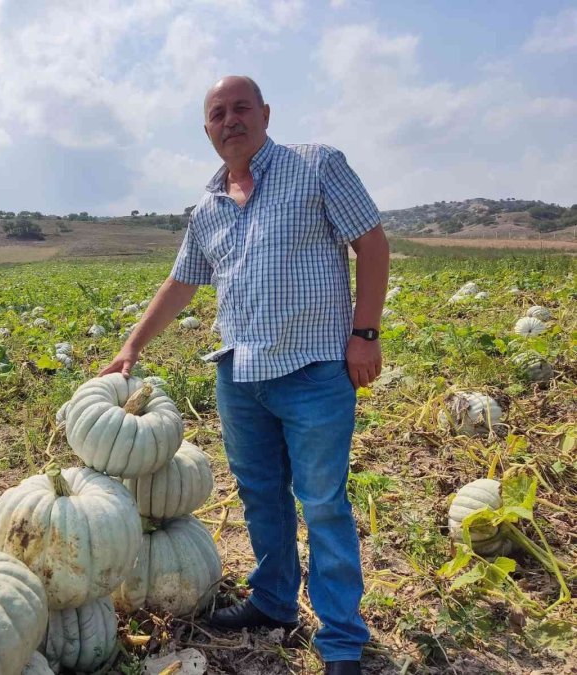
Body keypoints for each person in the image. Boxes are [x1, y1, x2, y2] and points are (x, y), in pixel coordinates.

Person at [100, 75, 389, 675]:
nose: (230, 120)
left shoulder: (316, 166)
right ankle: (275, 601)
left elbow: (372, 243)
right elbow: (181, 282)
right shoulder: (208, 207)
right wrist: (131, 345)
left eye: (240, 108)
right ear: (207, 129)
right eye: (217, 113)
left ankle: (341, 640)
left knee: (323, 504)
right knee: (261, 497)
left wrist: (365, 334)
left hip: (314, 369)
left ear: (265, 113)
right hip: (240, 376)